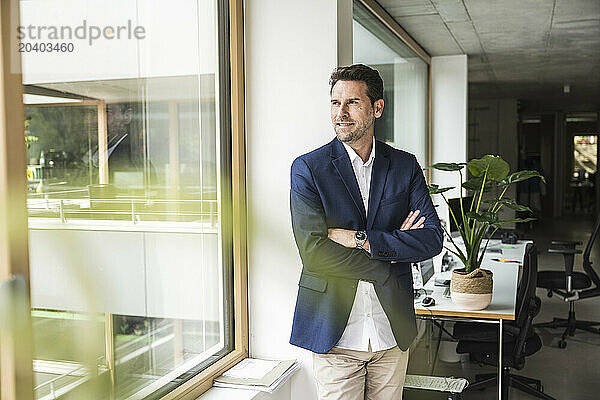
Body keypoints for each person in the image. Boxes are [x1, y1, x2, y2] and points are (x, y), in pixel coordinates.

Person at [289, 64, 443, 399]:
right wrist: (388, 259)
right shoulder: (308, 169)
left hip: (391, 331)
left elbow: (431, 237)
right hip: (334, 334)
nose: (340, 113)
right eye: (334, 103)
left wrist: (359, 239)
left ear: (376, 108)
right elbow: (313, 252)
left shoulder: (404, 166)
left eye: (352, 103)